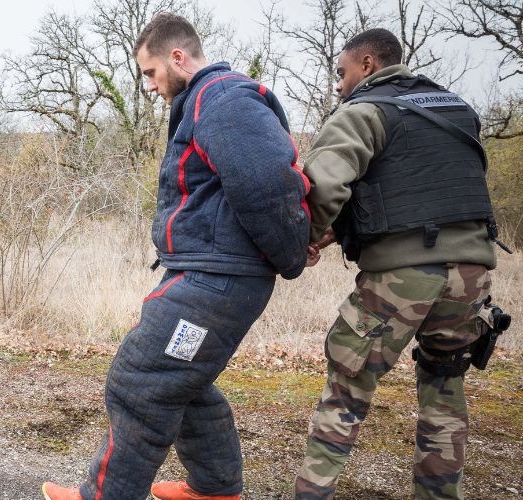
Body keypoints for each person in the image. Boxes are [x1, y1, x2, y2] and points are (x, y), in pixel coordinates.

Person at [41, 13, 311, 500]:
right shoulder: (206, 102)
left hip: (218, 280)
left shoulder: (224, 100)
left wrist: (292, 253)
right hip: (211, 273)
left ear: (178, 57)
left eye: (150, 72)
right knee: (183, 380)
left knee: (139, 379)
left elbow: (267, 183)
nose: (150, 85)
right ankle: (213, 488)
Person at [295, 28, 506, 499]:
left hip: (403, 276)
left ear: (368, 64)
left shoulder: (364, 111)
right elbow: (424, 187)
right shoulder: (456, 108)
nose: (337, 84)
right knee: (445, 388)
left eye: (341, 72)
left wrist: (305, 240)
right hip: (472, 273)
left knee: (346, 391)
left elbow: (324, 186)